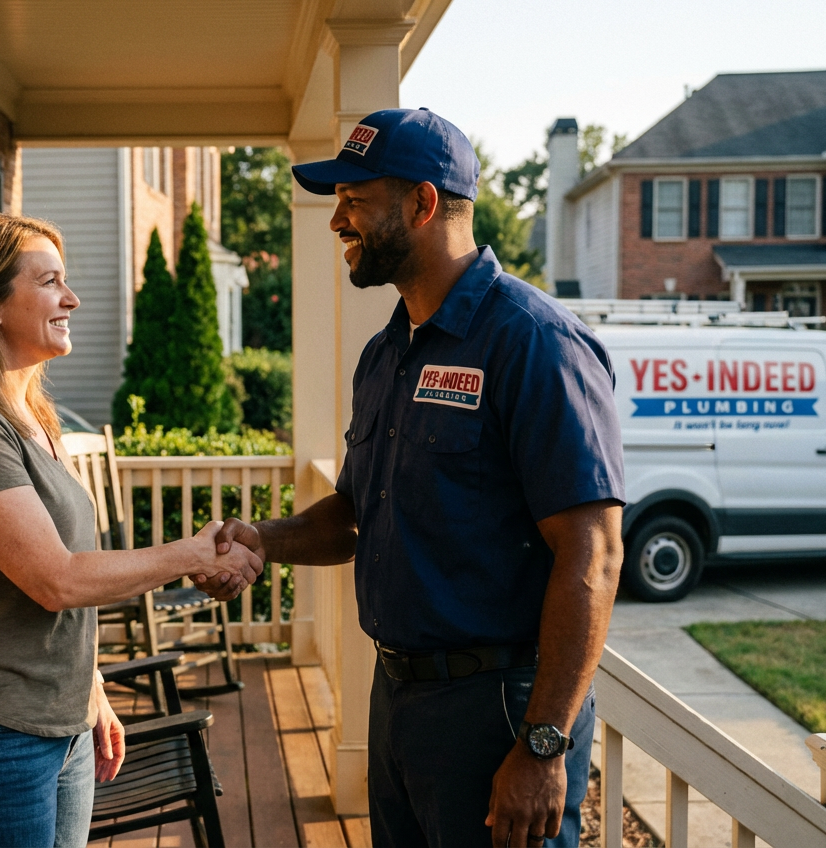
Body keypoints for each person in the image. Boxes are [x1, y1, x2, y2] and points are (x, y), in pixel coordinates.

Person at [215, 109, 625, 847]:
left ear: (423, 204)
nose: (337, 219)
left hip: (499, 708)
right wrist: (262, 539)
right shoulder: (386, 354)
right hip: (397, 701)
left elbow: (592, 554)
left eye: (355, 200)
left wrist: (543, 744)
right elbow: (353, 512)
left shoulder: (534, 343)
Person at [0, 213, 263, 848]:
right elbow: (55, 579)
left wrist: (89, 687)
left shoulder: (32, 416)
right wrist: (190, 554)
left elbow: (63, 572)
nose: (72, 299)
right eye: (49, 282)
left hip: (57, 726)